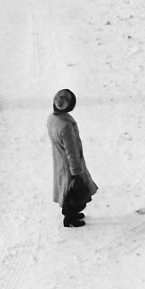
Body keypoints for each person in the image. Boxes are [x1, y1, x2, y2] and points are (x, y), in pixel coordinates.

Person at [48, 89, 97, 228]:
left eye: (64, 98)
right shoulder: (65, 126)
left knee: (67, 189)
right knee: (74, 192)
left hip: (60, 161)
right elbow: (72, 151)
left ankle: (72, 214)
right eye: (60, 96)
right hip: (70, 165)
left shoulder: (52, 119)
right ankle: (70, 218)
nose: (60, 99)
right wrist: (76, 172)